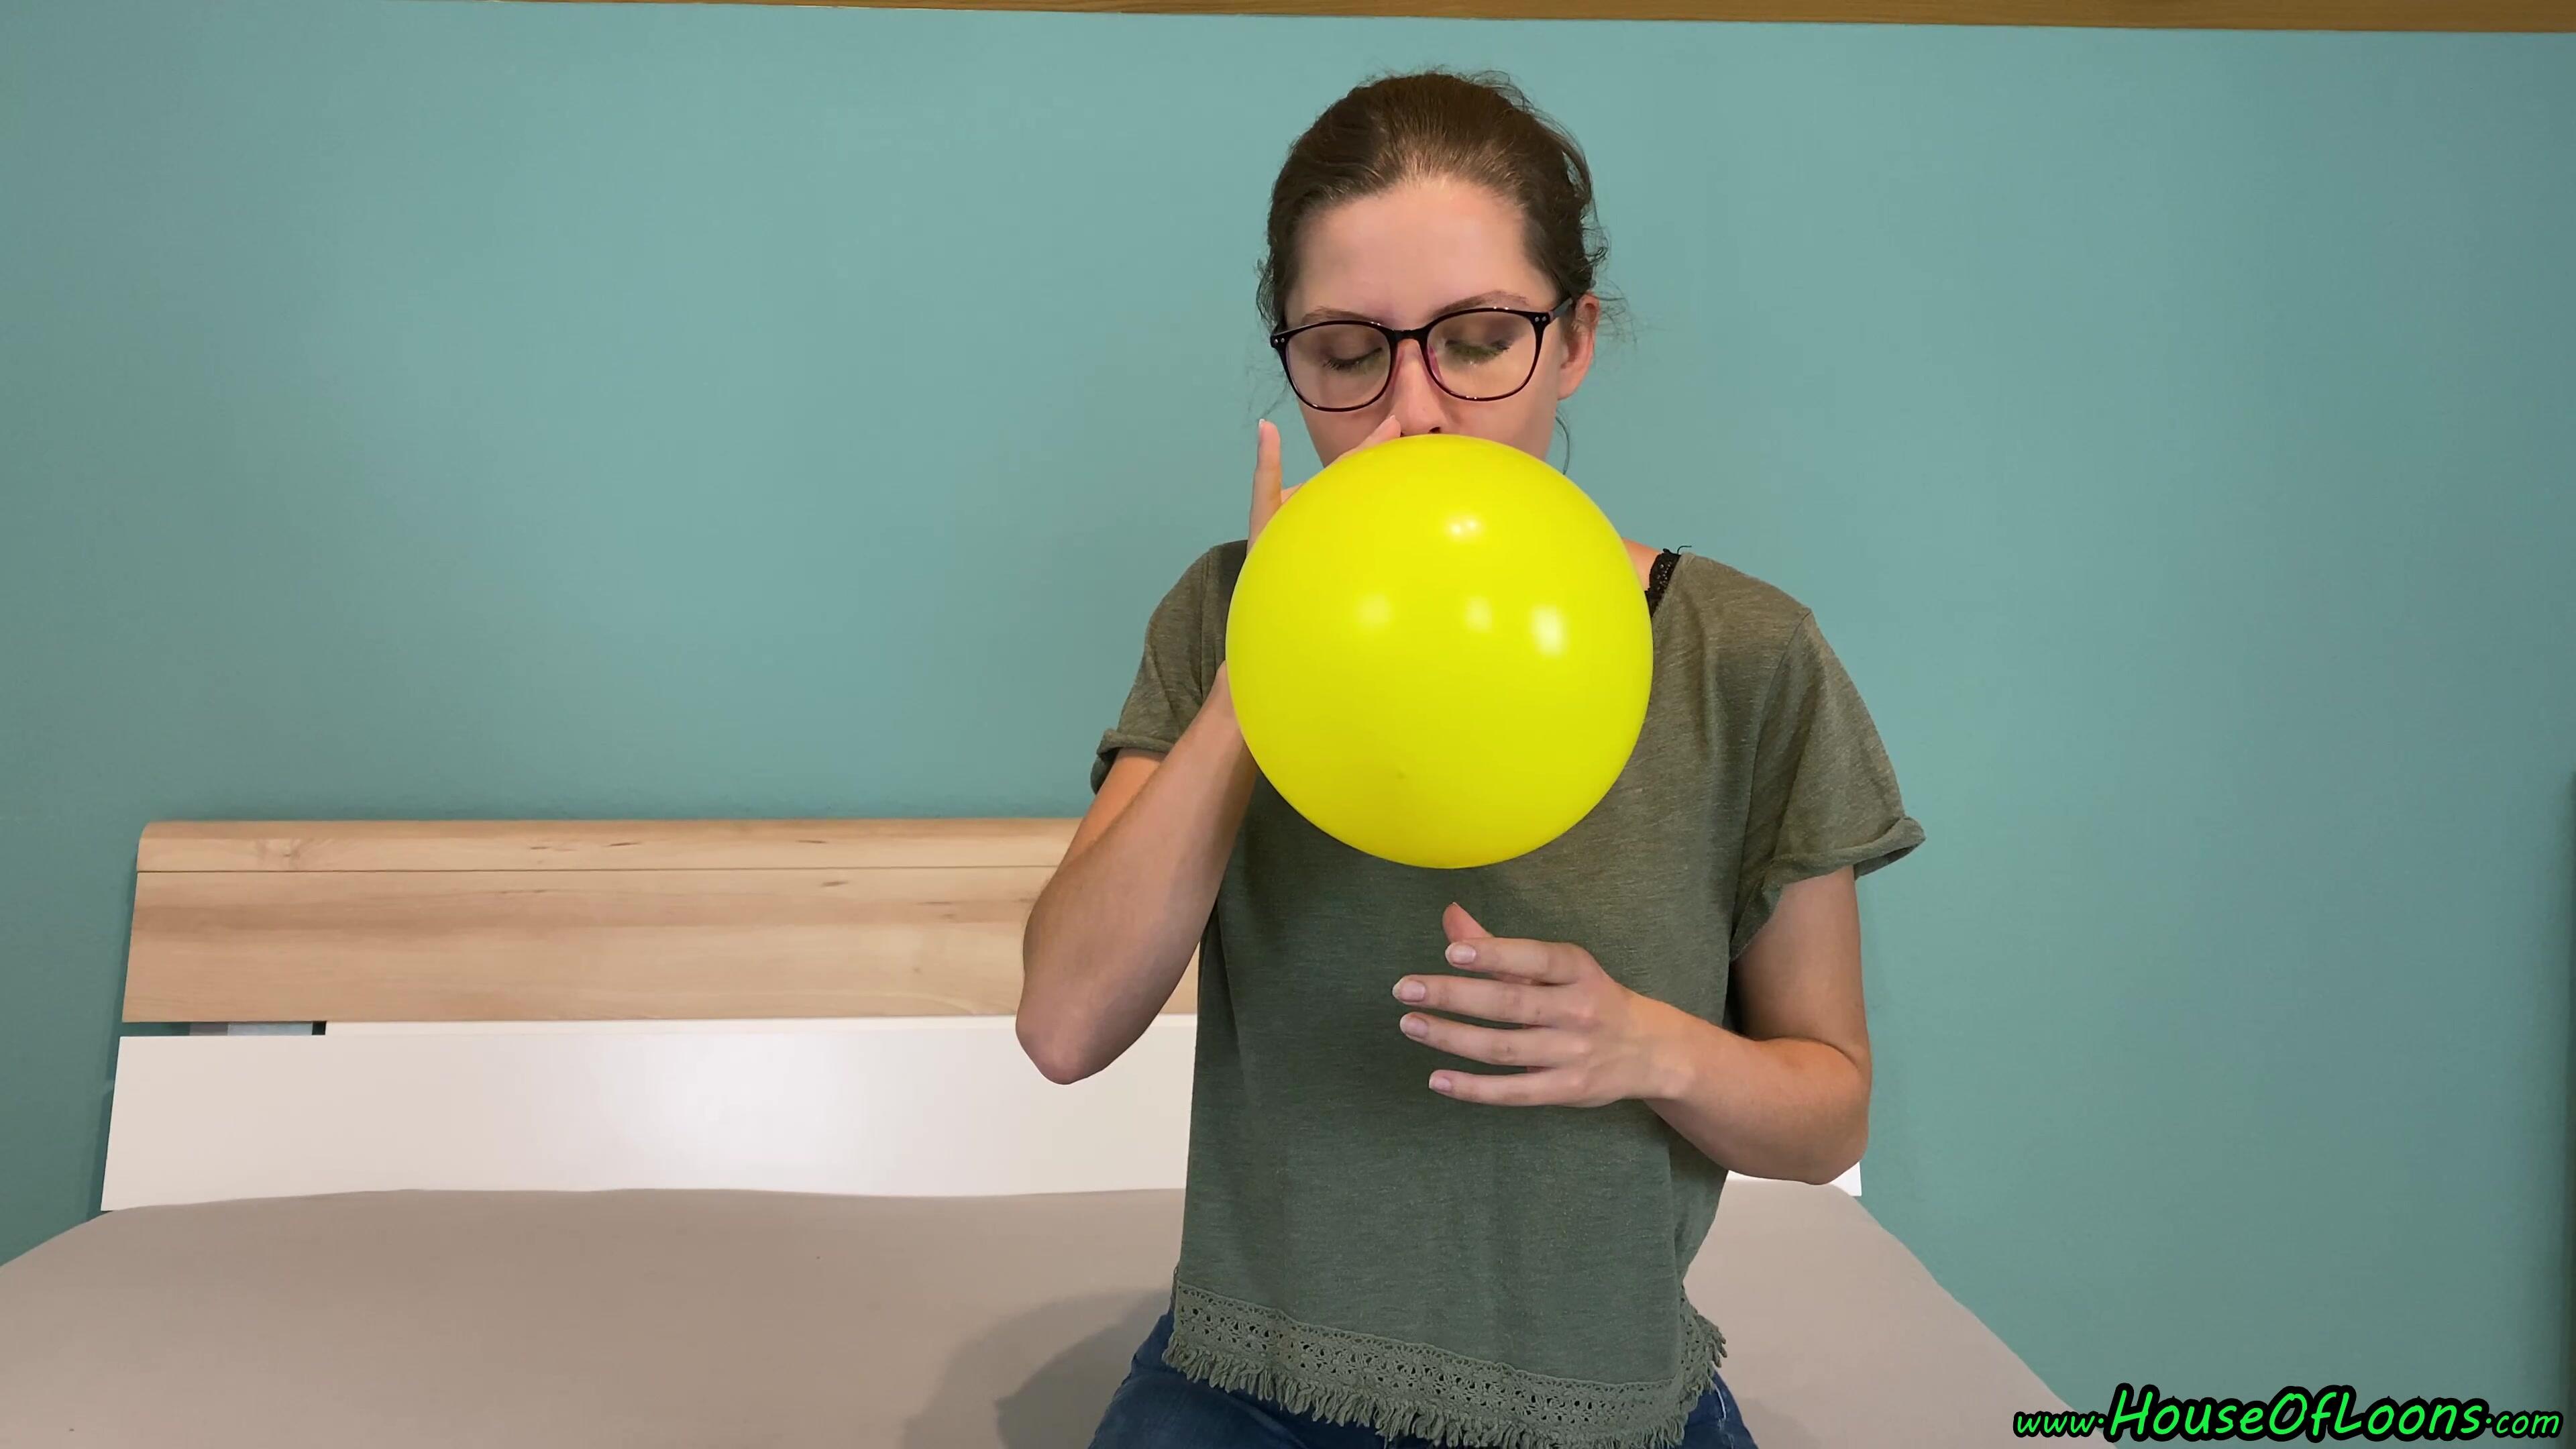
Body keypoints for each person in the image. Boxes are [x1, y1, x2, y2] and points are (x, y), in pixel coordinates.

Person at [1019, 67, 1926, 1449]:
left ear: (1574, 343)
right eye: (1347, 354)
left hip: (1601, 1410)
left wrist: (1651, 1047)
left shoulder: (1745, 656)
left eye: (1480, 340)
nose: (1414, 412)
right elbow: (1065, 1028)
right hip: (1254, 1391)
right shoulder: (1222, 618)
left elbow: (1828, 1119)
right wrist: (1265, 672)